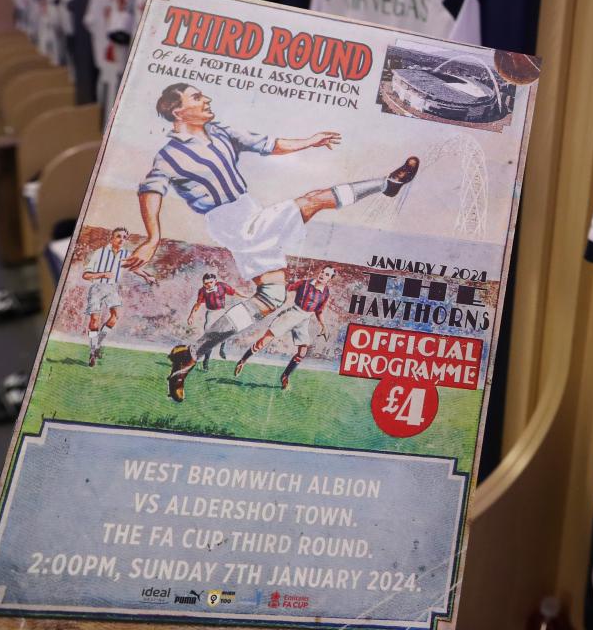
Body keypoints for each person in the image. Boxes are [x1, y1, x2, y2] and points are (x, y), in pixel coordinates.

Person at [121, 83, 419, 401]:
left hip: (247, 211)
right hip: (231, 221)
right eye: (196, 97)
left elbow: (270, 144)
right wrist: (153, 237)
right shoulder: (171, 155)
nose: (206, 98)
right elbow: (150, 189)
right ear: (179, 111)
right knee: (312, 200)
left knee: (272, 297)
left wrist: (310, 141)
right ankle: (386, 184)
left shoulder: (220, 131)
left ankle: (189, 356)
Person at [234, 266, 334, 389]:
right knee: (267, 338)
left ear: (330, 279)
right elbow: (287, 288)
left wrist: (323, 326)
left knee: (302, 352)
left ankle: (285, 376)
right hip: (292, 314)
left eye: (327, 274)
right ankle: (243, 361)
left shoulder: (326, 293)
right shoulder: (305, 283)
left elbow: (319, 311)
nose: (323, 274)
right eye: (322, 272)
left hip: (305, 319)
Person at [82, 226, 150, 367]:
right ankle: (93, 351)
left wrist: (147, 277)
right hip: (97, 288)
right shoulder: (99, 253)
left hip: (112, 288)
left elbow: (134, 268)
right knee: (94, 320)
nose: (121, 239)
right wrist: (102, 274)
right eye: (118, 236)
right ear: (112, 238)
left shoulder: (126, 254)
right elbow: (86, 275)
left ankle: (98, 343)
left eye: (124, 237)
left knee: (115, 316)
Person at [186, 271, 238, 370]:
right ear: (203, 283)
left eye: (211, 282)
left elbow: (234, 292)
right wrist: (191, 315)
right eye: (206, 283)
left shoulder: (222, 286)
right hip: (211, 313)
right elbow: (198, 304)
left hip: (221, 312)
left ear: (215, 281)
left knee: (227, 331)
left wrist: (247, 297)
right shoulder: (202, 291)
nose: (209, 285)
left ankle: (222, 349)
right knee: (209, 338)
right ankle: (206, 361)